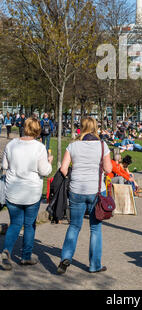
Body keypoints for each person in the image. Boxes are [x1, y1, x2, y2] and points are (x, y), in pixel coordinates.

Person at [57, 117, 112, 274]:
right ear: (95, 127)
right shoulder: (102, 145)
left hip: (76, 190)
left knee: (74, 226)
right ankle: (94, 265)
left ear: (81, 127)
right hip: (96, 190)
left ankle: (65, 257)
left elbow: (63, 169)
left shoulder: (73, 145)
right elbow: (108, 169)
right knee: (95, 227)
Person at [1, 117, 53, 270]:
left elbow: (4, 165)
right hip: (31, 191)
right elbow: (45, 171)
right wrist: (49, 162)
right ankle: (25, 256)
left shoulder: (11, 144)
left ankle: (7, 251)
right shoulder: (39, 147)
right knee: (29, 225)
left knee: (15, 223)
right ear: (38, 130)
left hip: (13, 190)